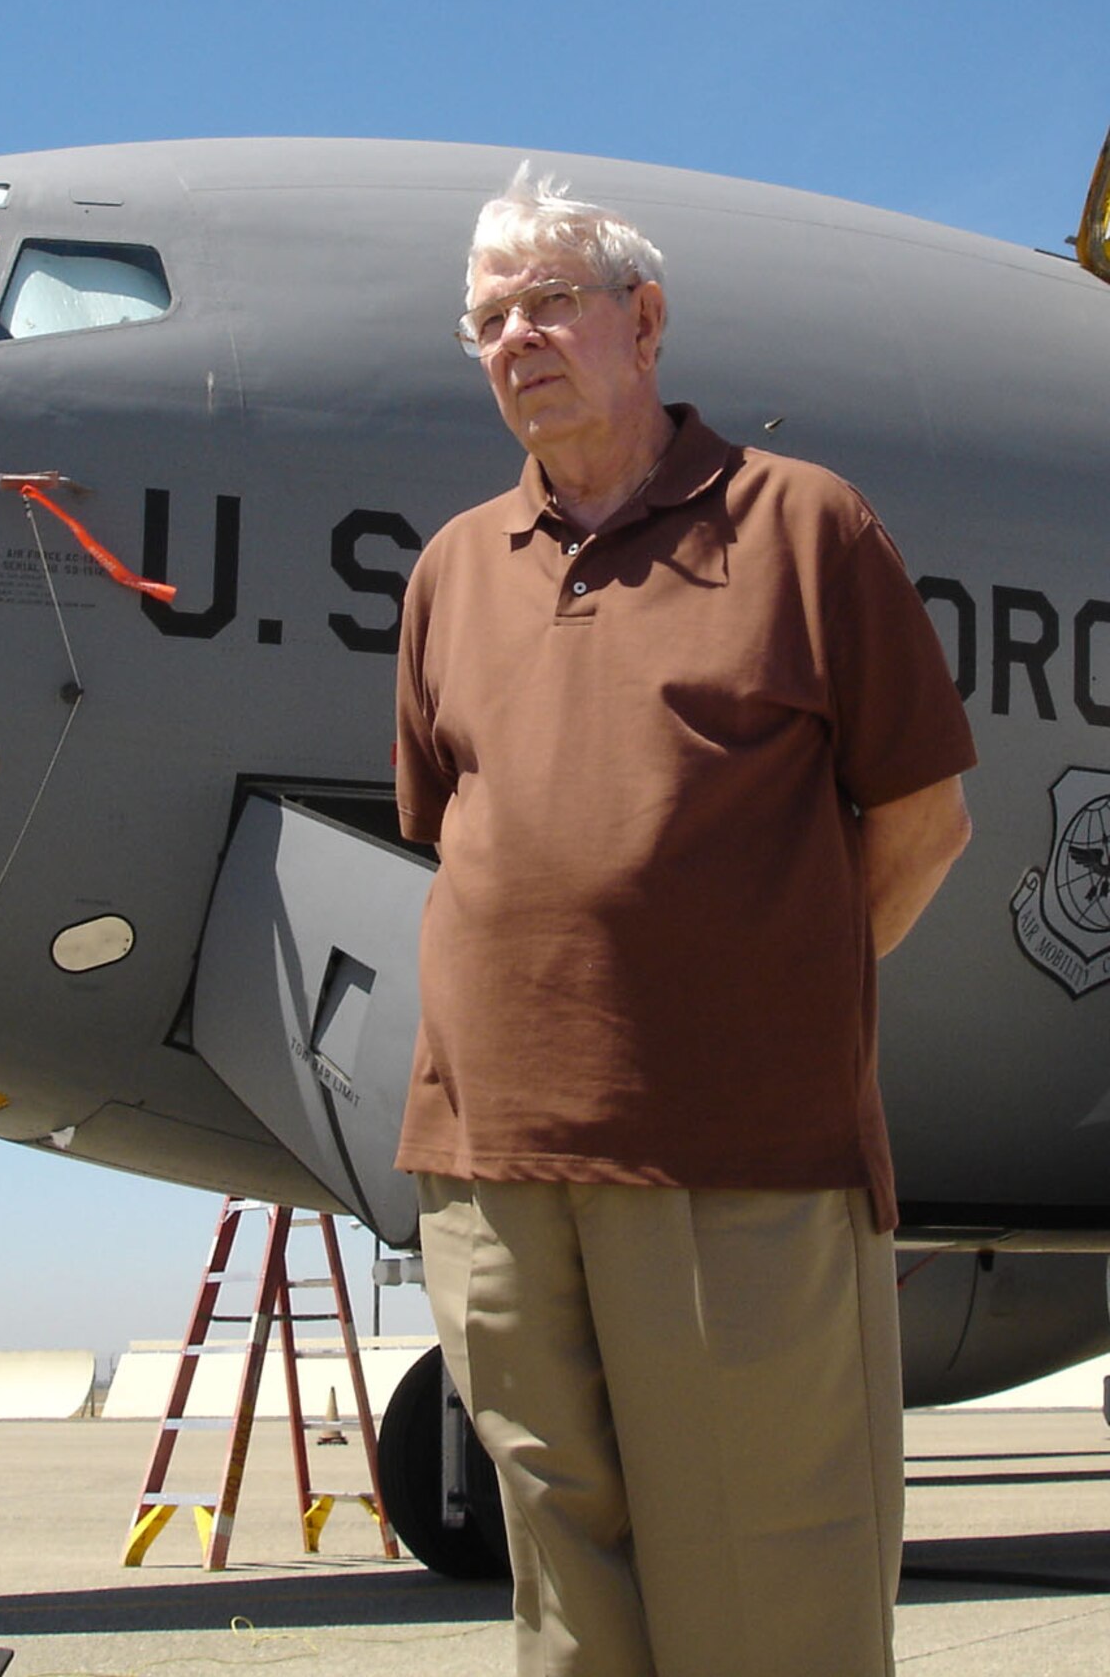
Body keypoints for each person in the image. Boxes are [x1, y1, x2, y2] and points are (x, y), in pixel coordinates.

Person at [394, 168, 976, 1677]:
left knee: (768, 1597)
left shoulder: (804, 527)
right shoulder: (454, 569)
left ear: (642, 323)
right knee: (564, 1595)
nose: (518, 337)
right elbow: (456, 839)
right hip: (493, 1170)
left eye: (550, 305)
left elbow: (923, 821)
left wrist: (774, 1006)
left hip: (737, 1156)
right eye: (489, 319)